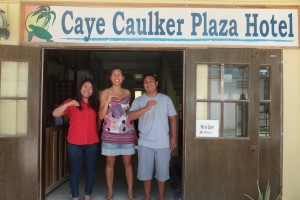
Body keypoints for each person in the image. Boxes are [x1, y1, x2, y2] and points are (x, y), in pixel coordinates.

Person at [128, 74, 177, 200]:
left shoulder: (166, 99)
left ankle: (161, 196)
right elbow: (130, 117)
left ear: (156, 83)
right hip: (145, 143)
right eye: (145, 82)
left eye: (151, 81)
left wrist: (173, 137)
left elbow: (172, 118)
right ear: (143, 85)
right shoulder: (138, 101)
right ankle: (147, 196)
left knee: (162, 172)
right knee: (146, 173)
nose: (148, 84)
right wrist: (146, 107)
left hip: (163, 142)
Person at [52, 78, 99, 200]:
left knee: (90, 170)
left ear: (93, 91)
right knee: (75, 170)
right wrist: (68, 104)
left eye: (90, 88)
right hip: (74, 144)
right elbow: (55, 114)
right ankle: (75, 196)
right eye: (85, 87)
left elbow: (101, 119)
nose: (87, 90)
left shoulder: (95, 103)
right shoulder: (72, 102)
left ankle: (88, 195)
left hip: (92, 143)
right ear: (80, 88)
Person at [98, 67, 136, 200]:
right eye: (114, 74)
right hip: (110, 134)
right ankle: (110, 191)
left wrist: (135, 133)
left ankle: (130, 191)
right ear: (110, 77)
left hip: (127, 133)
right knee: (109, 163)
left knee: (128, 163)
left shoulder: (127, 92)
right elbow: (101, 115)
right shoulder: (104, 92)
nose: (116, 76)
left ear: (123, 78)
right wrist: (108, 100)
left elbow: (128, 114)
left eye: (119, 74)